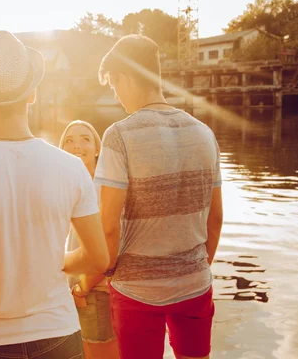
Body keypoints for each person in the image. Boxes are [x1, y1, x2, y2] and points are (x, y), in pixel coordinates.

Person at [0, 30, 109, 359]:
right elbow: (98, 258)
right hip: (59, 332)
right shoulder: (71, 167)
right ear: (32, 94)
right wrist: (57, 261)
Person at [94, 35, 224, 359]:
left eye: (113, 85)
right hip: (195, 283)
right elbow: (216, 219)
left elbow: (107, 227)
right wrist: (194, 266)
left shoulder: (118, 136)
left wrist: (107, 271)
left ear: (124, 77)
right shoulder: (204, 134)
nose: (116, 95)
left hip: (135, 290)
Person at [60, 120, 120, 359]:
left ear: (97, 149)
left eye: (85, 139)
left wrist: (81, 289)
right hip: (76, 290)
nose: (76, 145)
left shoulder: (104, 189)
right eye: (69, 140)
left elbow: (110, 243)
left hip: (95, 292)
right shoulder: (67, 187)